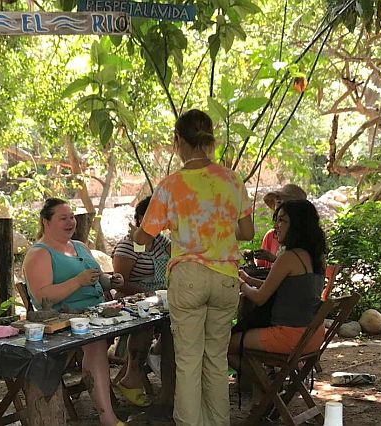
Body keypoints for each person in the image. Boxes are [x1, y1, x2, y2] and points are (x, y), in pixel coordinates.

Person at [133, 109, 255, 426]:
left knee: (188, 361)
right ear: (210, 139)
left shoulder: (172, 185)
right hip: (227, 277)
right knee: (215, 360)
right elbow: (247, 232)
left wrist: (143, 232)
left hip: (188, 276)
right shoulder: (232, 179)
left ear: (178, 141)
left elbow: (144, 236)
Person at [22, 198, 127, 426]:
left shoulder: (80, 246)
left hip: (99, 312)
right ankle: (107, 416)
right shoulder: (40, 254)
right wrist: (76, 282)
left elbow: (98, 280)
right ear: (46, 222)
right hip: (64, 319)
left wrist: (111, 281)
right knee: (95, 342)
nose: (71, 222)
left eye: (71, 217)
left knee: (148, 323)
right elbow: (42, 299)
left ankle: (135, 385)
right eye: (63, 218)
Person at [228, 199, 326, 404]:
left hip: (290, 336)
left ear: (298, 224)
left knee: (223, 345)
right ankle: (265, 387)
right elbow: (282, 287)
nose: (276, 226)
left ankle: (267, 386)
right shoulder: (315, 256)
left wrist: (240, 285)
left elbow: (260, 297)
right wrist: (247, 279)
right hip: (313, 335)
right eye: (276, 220)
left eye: (282, 220)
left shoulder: (289, 257)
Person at [111, 195, 171, 407]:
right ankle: (132, 377)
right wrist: (146, 294)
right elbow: (118, 283)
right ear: (139, 218)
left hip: (163, 301)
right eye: (150, 217)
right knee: (143, 324)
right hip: (134, 302)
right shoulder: (128, 246)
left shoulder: (163, 242)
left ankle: (157, 356)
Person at [253, 184, 307, 268]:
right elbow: (261, 266)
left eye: (281, 220)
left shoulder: (306, 242)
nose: (276, 226)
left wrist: (274, 259)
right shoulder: (271, 235)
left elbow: (295, 269)